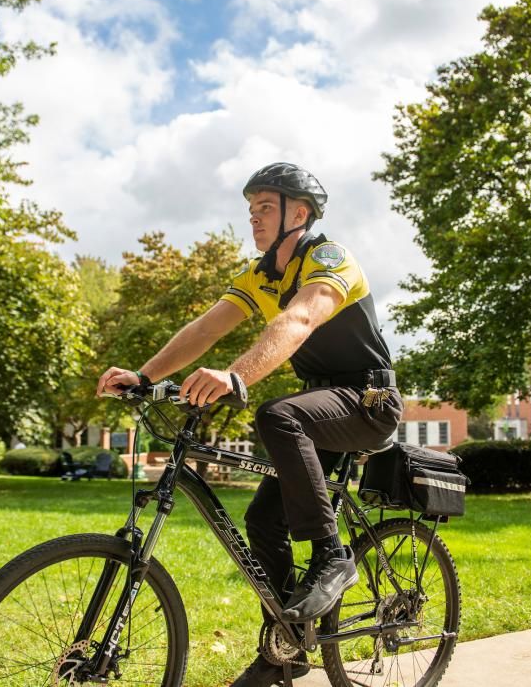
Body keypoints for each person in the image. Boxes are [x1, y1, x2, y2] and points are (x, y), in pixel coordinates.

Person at [96, 162, 402, 686]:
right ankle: (287, 648)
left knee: (276, 413)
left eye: (266, 207)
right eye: (251, 209)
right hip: (321, 407)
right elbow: (206, 329)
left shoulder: (330, 260)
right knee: (262, 518)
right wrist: (145, 377)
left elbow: (300, 318)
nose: (254, 218)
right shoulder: (260, 275)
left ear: (298, 212)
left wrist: (236, 377)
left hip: (368, 401)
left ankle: (333, 555)